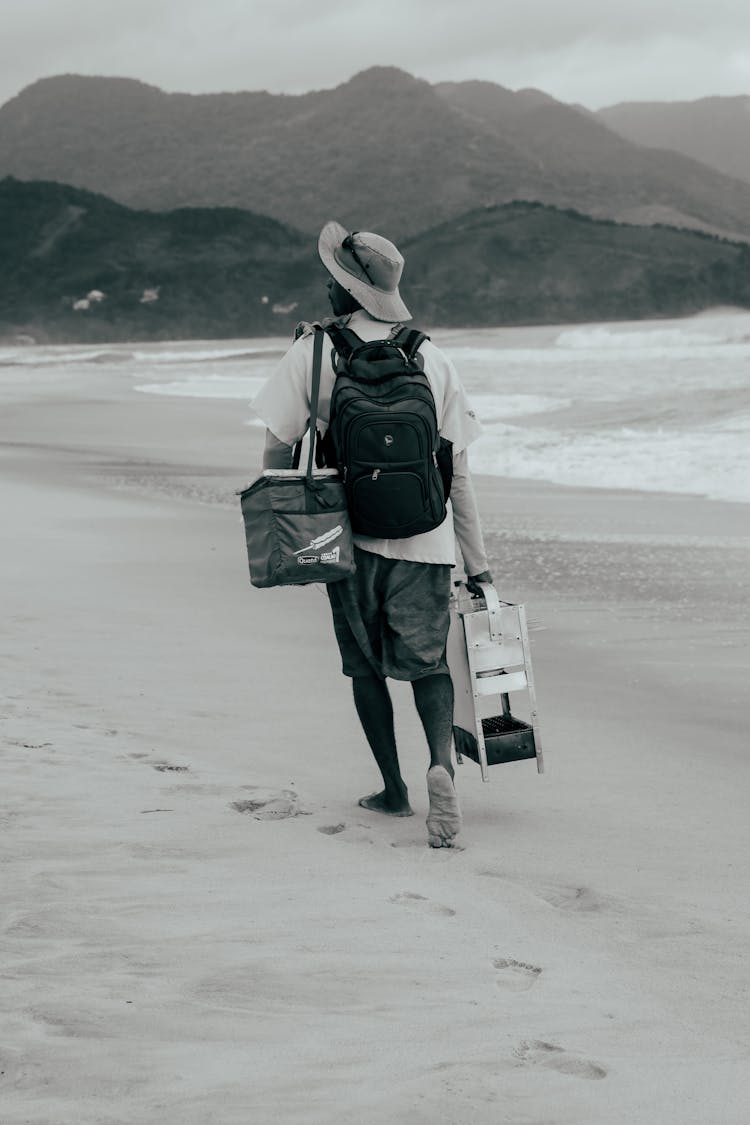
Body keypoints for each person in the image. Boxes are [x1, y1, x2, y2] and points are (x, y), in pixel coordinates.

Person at [252, 221, 492, 847]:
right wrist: (480, 564)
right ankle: (441, 764)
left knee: (365, 667)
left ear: (348, 294)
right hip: (429, 539)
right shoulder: (429, 355)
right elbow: (458, 473)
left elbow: (276, 446)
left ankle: (394, 790)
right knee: (429, 662)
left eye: (334, 282)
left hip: (347, 539)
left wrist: (293, 527)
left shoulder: (315, 351)